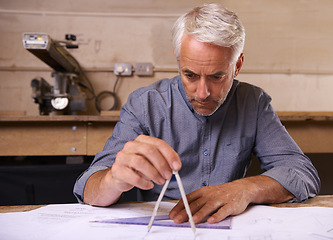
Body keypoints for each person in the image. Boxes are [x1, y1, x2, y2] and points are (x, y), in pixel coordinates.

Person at [74, 3, 320, 225]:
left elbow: (301, 173)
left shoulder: (253, 103)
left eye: (216, 76)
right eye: (190, 75)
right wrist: (113, 181)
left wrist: (245, 189)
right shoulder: (145, 104)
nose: (202, 93)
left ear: (238, 65)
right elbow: (88, 187)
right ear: (178, 62)